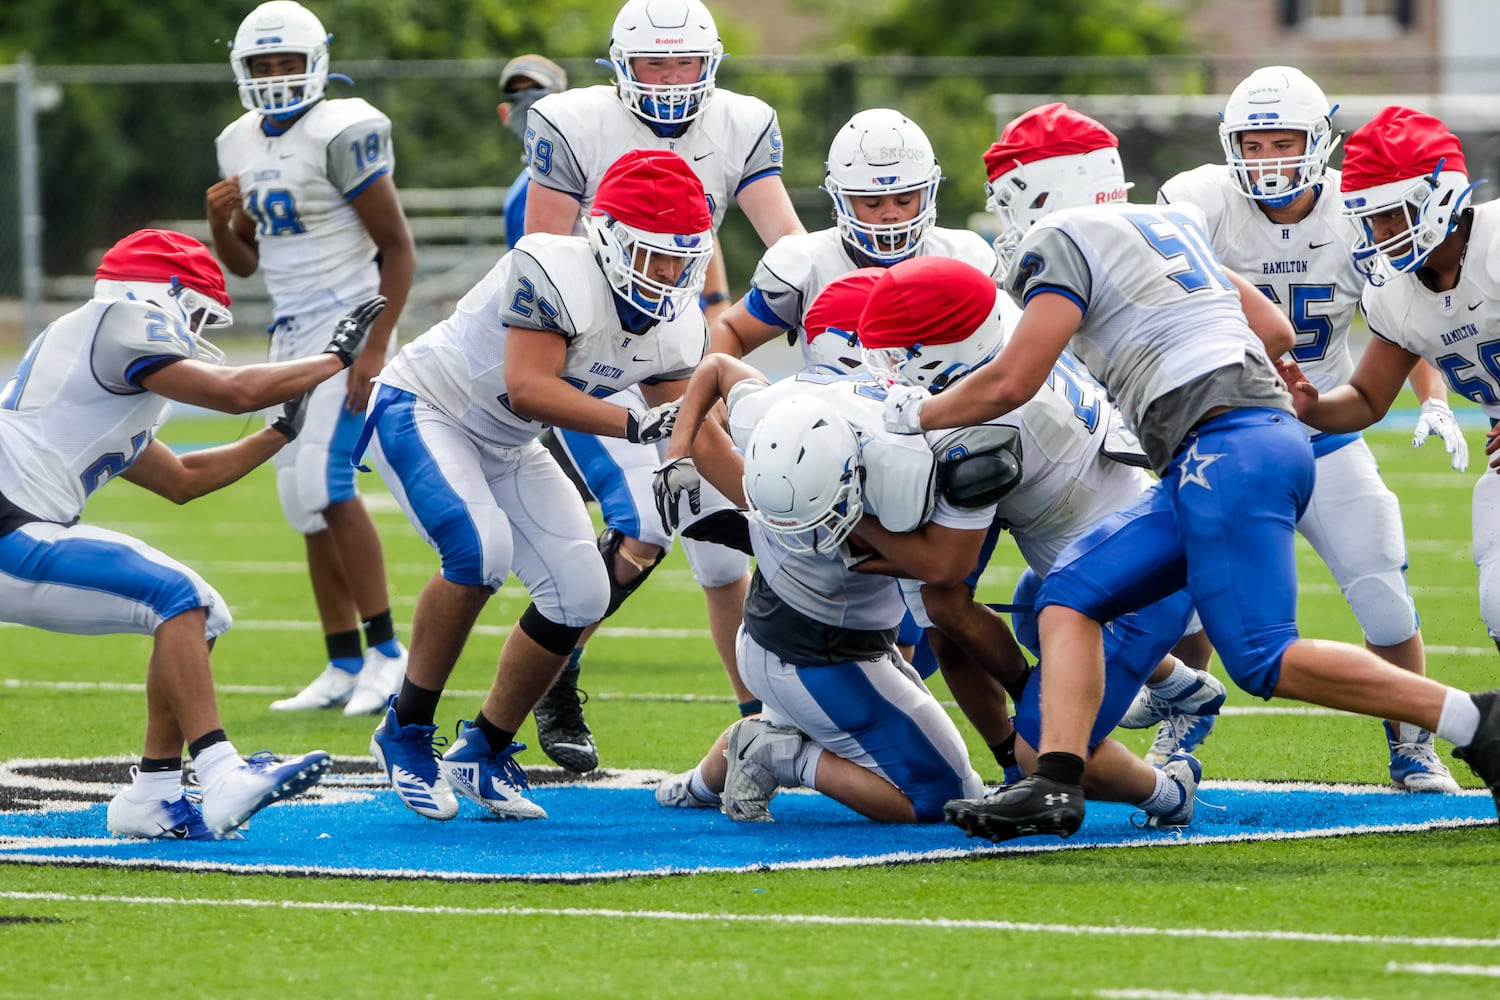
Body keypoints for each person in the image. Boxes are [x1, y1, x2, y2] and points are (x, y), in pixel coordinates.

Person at [878, 103, 1500, 841]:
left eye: (1010, 195)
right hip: (1234, 441)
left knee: (1263, 657)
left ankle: (1477, 720)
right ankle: (1054, 784)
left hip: (1223, 443)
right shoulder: (1169, 223)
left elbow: (1012, 381)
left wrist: (911, 418)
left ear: (1043, 190)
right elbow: (1272, 329)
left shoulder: (1062, 236)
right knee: (1069, 590)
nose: (1008, 216)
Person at [363, 149, 732, 822]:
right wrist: (634, 423)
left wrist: (763, 503)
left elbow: (693, 425)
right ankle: (406, 729)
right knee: (479, 553)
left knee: (582, 591)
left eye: (684, 259)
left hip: (505, 442)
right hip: (426, 407)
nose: (671, 275)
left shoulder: (678, 317)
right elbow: (530, 389)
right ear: (611, 240)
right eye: (654, 257)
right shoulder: (552, 265)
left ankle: (484, 749)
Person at [0, 229, 383, 839]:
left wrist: (281, 432)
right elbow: (233, 393)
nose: (200, 331)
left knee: (201, 611)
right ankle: (220, 769)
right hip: (10, 523)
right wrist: (334, 360)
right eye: (198, 310)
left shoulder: (101, 375)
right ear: (162, 291)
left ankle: (153, 793)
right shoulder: (118, 318)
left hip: (20, 526)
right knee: (180, 596)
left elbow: (183, 478)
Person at [517, 0, 805, 771]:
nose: (673, 80)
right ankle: (554, 669)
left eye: (686, 64)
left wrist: (824, 312)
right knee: (645, 521)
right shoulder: (575, 124)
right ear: (621, 66)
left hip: (678, 345)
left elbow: (792, 251)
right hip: (589, 346)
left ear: (711, 66)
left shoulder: (741, 123)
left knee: (722, 554)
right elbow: (542, 257)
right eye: (655, 64)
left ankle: (762, 723)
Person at [1155, 66, 1459, 792]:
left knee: (1382, 584)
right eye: (1252, 145)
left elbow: (1404, 318)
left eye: (1282, 141)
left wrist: (1435, 395)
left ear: (1318, 140)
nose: (1266, 160)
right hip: (1225, 433)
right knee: (1181, 591)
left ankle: (1413, 742)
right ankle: (1181, 727)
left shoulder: (1359, 210)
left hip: (1325, 430)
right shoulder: (1203, 200)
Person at [207, 0, 415, 717]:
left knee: (328, 483)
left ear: (316, 63)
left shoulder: (341, 129)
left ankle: (391, 653)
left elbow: (398, 246)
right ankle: (342, 660)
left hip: (351, 318)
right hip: (291, 331)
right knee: (301, 503)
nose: (275, 77)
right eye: (262, 65)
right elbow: (243, 263)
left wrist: (376, 345)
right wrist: (220, 221)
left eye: (287, 62)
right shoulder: (235, 141)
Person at [1285, 106, 1499, 659]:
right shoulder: (1395, 292)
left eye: (1392, 213)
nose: (1381, 233)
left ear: (1441, 197)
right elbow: (1366, 398)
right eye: (1369, 218)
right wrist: (1310, 404)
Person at [710, 108, 1003, 367]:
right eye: (872, 202)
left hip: (945, 424)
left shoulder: (966, 258)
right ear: (843, 200)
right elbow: (731, 330)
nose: (890, 214)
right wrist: (729, 403)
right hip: (840, 424)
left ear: (927, 192)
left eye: (904, 200)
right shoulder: (805, 264)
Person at [495, 54, 569, 251]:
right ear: (505, 114)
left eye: (537, 90)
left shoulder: (590, 170)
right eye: (516, 95)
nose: (528, 102)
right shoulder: (517, 195)